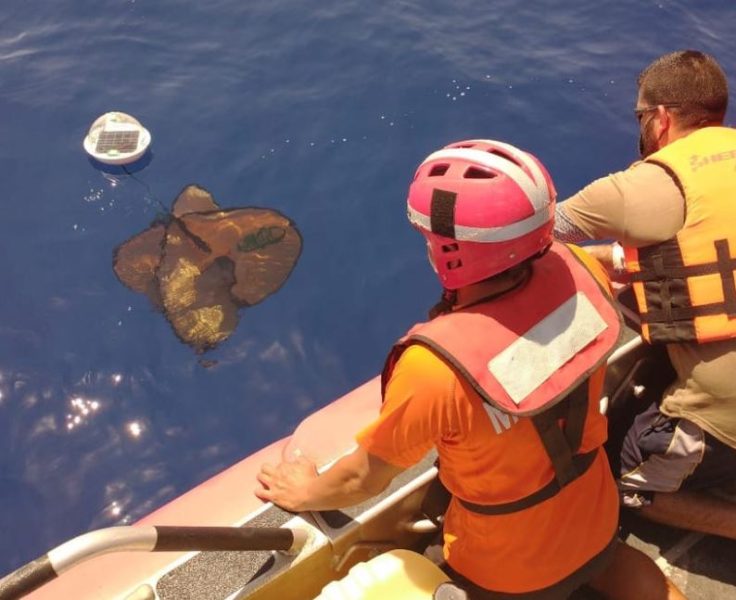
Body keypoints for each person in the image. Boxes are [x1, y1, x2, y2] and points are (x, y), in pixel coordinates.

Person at [257, 139, 683, 599]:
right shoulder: (581, 270)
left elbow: (362, 478)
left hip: (509, 569)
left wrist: (303, 492)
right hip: (595, 517)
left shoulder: (434, 369)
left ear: (451, 251)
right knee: (610, 564)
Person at [553, 49, 736, 540]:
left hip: (726, 419)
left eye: (640, 116)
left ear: (660, 118)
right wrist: (617, 260)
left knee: (625, 482)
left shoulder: (640, 186)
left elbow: (531, 233)